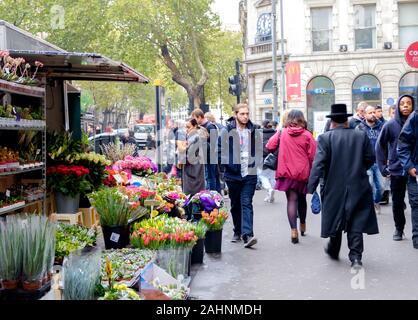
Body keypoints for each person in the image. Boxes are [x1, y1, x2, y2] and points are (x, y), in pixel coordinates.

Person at [308, 104, 379, 269]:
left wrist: (311, 186)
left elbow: (318, 164)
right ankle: (356, 257)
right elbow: (370, 158)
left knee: (335, 219)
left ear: (332, 121)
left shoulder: (325, 138)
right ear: (346, 120)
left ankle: (334, 249)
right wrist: (359, 169)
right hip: (358, 184)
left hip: (333, 186)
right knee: (356, 221)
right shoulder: (360, 136)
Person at [266, 110, 316, 244]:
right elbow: (313, 156)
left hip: (286, 172)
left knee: (291, 200)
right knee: (302, 199)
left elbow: (269, 146)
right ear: (302, 119)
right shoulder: (307, 135)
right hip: (302, 173)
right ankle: (303, 225)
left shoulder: (282, 132)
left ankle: (293, 230)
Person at [218, 103, 262, 248]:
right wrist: (227, 165)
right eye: (242, 114)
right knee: (235, 204)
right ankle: (237, 230)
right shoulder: (226, 130)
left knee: (246, 203)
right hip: (233, 174)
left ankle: (248, 234)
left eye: (247, 114)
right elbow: (219, 150)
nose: (245, 116)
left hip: (249, 173)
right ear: (235, 114)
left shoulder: (254, 129)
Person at [376, 95, 414, 241]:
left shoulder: (416, 123)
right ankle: (399, 229)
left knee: (415, 202)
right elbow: (380, 145)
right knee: (397, 202)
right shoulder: (390, 125)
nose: (405, 106)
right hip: (397, 170)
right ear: (397, 106)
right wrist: (383, 166)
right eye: (402, 103)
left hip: (414, 170)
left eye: (409, 103)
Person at [396, 95, 418, 250]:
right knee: (416, 204)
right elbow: (402, 144)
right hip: (415, 172)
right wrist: (409, 167)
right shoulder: (415, 118)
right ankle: (416, 237)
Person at [356, 105, 384, 214]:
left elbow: (387, 143)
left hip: (379, 162)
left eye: (374, 112)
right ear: (365, 115)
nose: (372, 114)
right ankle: (371, 204)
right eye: (370, 113)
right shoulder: (359, 128)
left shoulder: (382, 126)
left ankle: (376, 201)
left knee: (381, 187)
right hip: (366, 163)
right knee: (370, 185)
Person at [177, 118, 207, 217]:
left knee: (192, 197)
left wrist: (181, 155)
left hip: (193, 172)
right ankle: (195, 217)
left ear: (194, 126)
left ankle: (193, 218)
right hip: (195, 170)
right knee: (195, 197)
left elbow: (189, 157)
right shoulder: (193, 136)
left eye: (188, 127)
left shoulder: (195, 137)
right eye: (185, 127)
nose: (186, 129)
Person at [192, 108, 221, 193]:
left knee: (211, 177)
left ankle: (213, 196)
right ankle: (217, 196)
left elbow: (213, 143)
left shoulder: (210, 126)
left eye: (195, 119)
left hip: (210, 156)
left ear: (200, 117)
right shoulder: (205, 126)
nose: (194, 121)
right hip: (209, 156)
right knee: (213, 176)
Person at [260, 120, 277, 203]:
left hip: (262, 158)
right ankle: (270, 194)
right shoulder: (275, 133)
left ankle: (269, 189)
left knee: (262, 176)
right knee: (272, 177)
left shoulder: (259, 134)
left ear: (263, 125)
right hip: (273, 158)